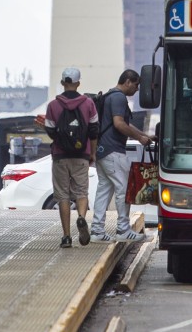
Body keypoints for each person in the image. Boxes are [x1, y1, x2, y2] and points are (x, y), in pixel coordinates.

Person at [91, 69, 154, 243]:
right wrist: (140, 138)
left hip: (103, 151)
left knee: (104, 190)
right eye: (136, 85)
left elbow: (123, 124)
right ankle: (123, 230)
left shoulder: (109, 96)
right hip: (114, 152)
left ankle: (97, 231)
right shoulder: (119, 97)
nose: (137, 89)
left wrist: (144, 136)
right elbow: (119, 124)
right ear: (127, 81)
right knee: (123, 190)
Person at [40, 67, 98, 248]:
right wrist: (92, 153)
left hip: (60, 156)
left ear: (63, 83)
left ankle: (66, 236)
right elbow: (94, 131)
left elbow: (50, 130)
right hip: (81, 155)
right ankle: (81, 217)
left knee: (62, 195)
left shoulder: (53, 105)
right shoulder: (89, 104)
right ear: (78, 83)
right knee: (81, 192)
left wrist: (60, 140)